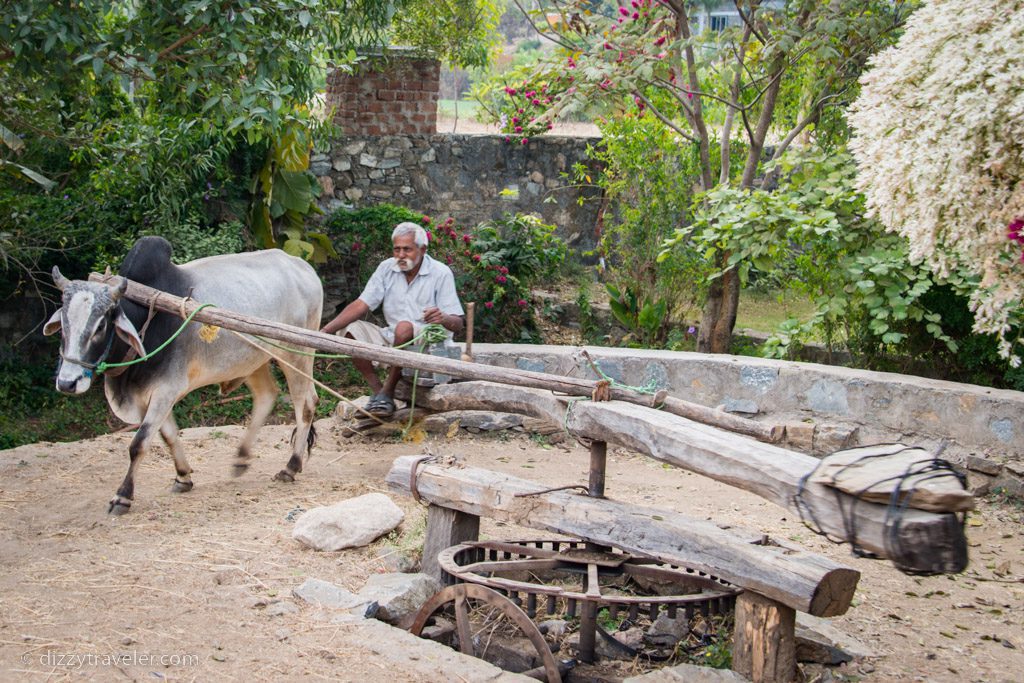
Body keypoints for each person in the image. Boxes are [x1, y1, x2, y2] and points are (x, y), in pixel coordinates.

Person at [321, 221, 464, 417]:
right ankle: (380, 393)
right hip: (393, 335)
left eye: (407, 249)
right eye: (397, 249)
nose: (401, 255)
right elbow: (362, 304)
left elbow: (457, 324)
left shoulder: (440, 272)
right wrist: (324, 332)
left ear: (422, 249)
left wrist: (444, 317)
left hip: (428, 340)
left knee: (403, 327)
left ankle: (387, 393)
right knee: (351, 330)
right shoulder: (387, 268)